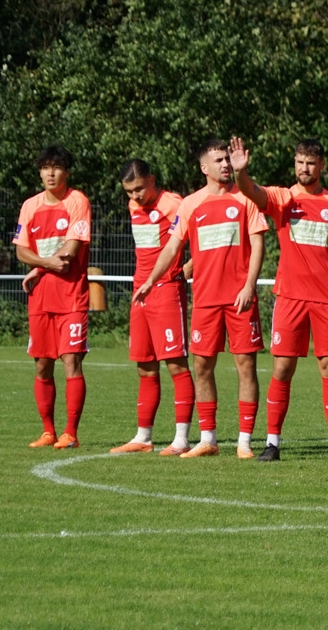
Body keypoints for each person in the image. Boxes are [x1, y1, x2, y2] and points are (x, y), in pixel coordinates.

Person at [231, 138, 328, 462]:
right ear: (295, 163)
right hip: (290, 297)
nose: (304, 168)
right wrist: (240, 174)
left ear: (321, 166)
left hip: (327, 299)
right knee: (282, 368)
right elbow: (252, 191)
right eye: (300, 162)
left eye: (311, 163)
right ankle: (272, 443)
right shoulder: (284, 198)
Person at [134, 139, 268, 459]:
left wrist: (249, 285)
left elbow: (258, 244)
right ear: (204, 167)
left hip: (239, 298)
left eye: (227, 159)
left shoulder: (246, 198)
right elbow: (172, 247)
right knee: (202, 366)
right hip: (205, 300)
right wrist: (151, 279)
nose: (225, 164)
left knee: (245, 366)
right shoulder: (190, 204)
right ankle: (208, 439)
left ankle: (245, 442)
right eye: (218, 160)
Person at [111, 159, 196, 455]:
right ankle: (143, 437)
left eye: (139, 189)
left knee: (175, 364)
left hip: (167, 290)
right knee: (145, 366)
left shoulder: (174, 204)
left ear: (152, 180)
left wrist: (187, 268)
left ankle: (181, 439)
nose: (135, 196)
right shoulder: (133, 206)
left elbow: (201, 238)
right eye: (129, 191)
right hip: (140, 292)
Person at [14, 145, 91, 449]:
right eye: (45, 167)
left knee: (71, 359)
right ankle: (48, 432)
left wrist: (37, 266)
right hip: (40, 298)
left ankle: (70, 433)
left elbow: (71, 250)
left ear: (67, 172)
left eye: (56, 167)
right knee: (42, 364)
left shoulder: (77, 201)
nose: (50, 173)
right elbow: (21, 251)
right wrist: (44, 265)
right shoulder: (30, 206)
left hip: (72, 296)